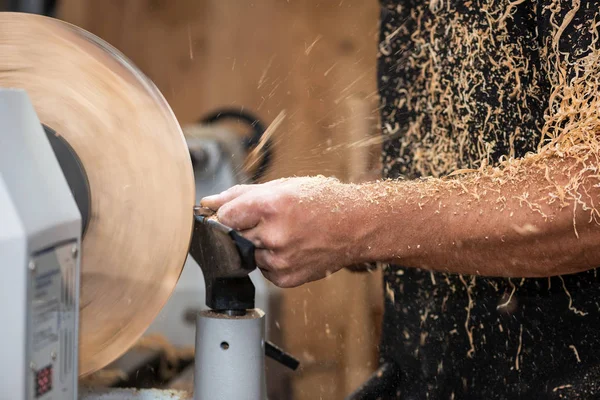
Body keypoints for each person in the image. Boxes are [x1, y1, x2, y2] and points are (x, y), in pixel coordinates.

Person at [202, 0, 600, 398]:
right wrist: (348, 211)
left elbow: (591, 193)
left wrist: (354, 222)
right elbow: (469, 161)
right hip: (430, 371)